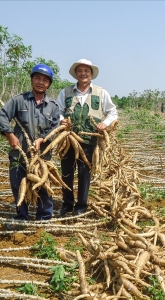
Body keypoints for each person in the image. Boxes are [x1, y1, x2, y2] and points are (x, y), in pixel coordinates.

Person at [0, 64, 59, 221]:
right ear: (32, 79)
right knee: (18, 185)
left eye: (45, 80)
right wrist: (9, 134)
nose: (40, 82)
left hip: (42, 156)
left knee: (44, 186)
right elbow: (1, 116)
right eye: (37, 78)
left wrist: (42, 138)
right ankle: (21, 216)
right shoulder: (19, 101)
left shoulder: (53, 106)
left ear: (49, 84)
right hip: (19, 154)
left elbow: (55, 128)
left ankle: (44, 217)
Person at [57, 59, 118, 216]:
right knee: (67, 172)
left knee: (85, 173)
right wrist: (61, 119)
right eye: (80, 71)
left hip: (89, 140)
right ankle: (67, 203)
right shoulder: (66, 92)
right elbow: (57, 110)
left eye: (86, 71)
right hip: (68, 139)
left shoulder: (101, 92)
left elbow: (113, 112)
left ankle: (81, 206)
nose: (83, 73)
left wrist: (105, 123)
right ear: (76, 74)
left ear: (91, 74)